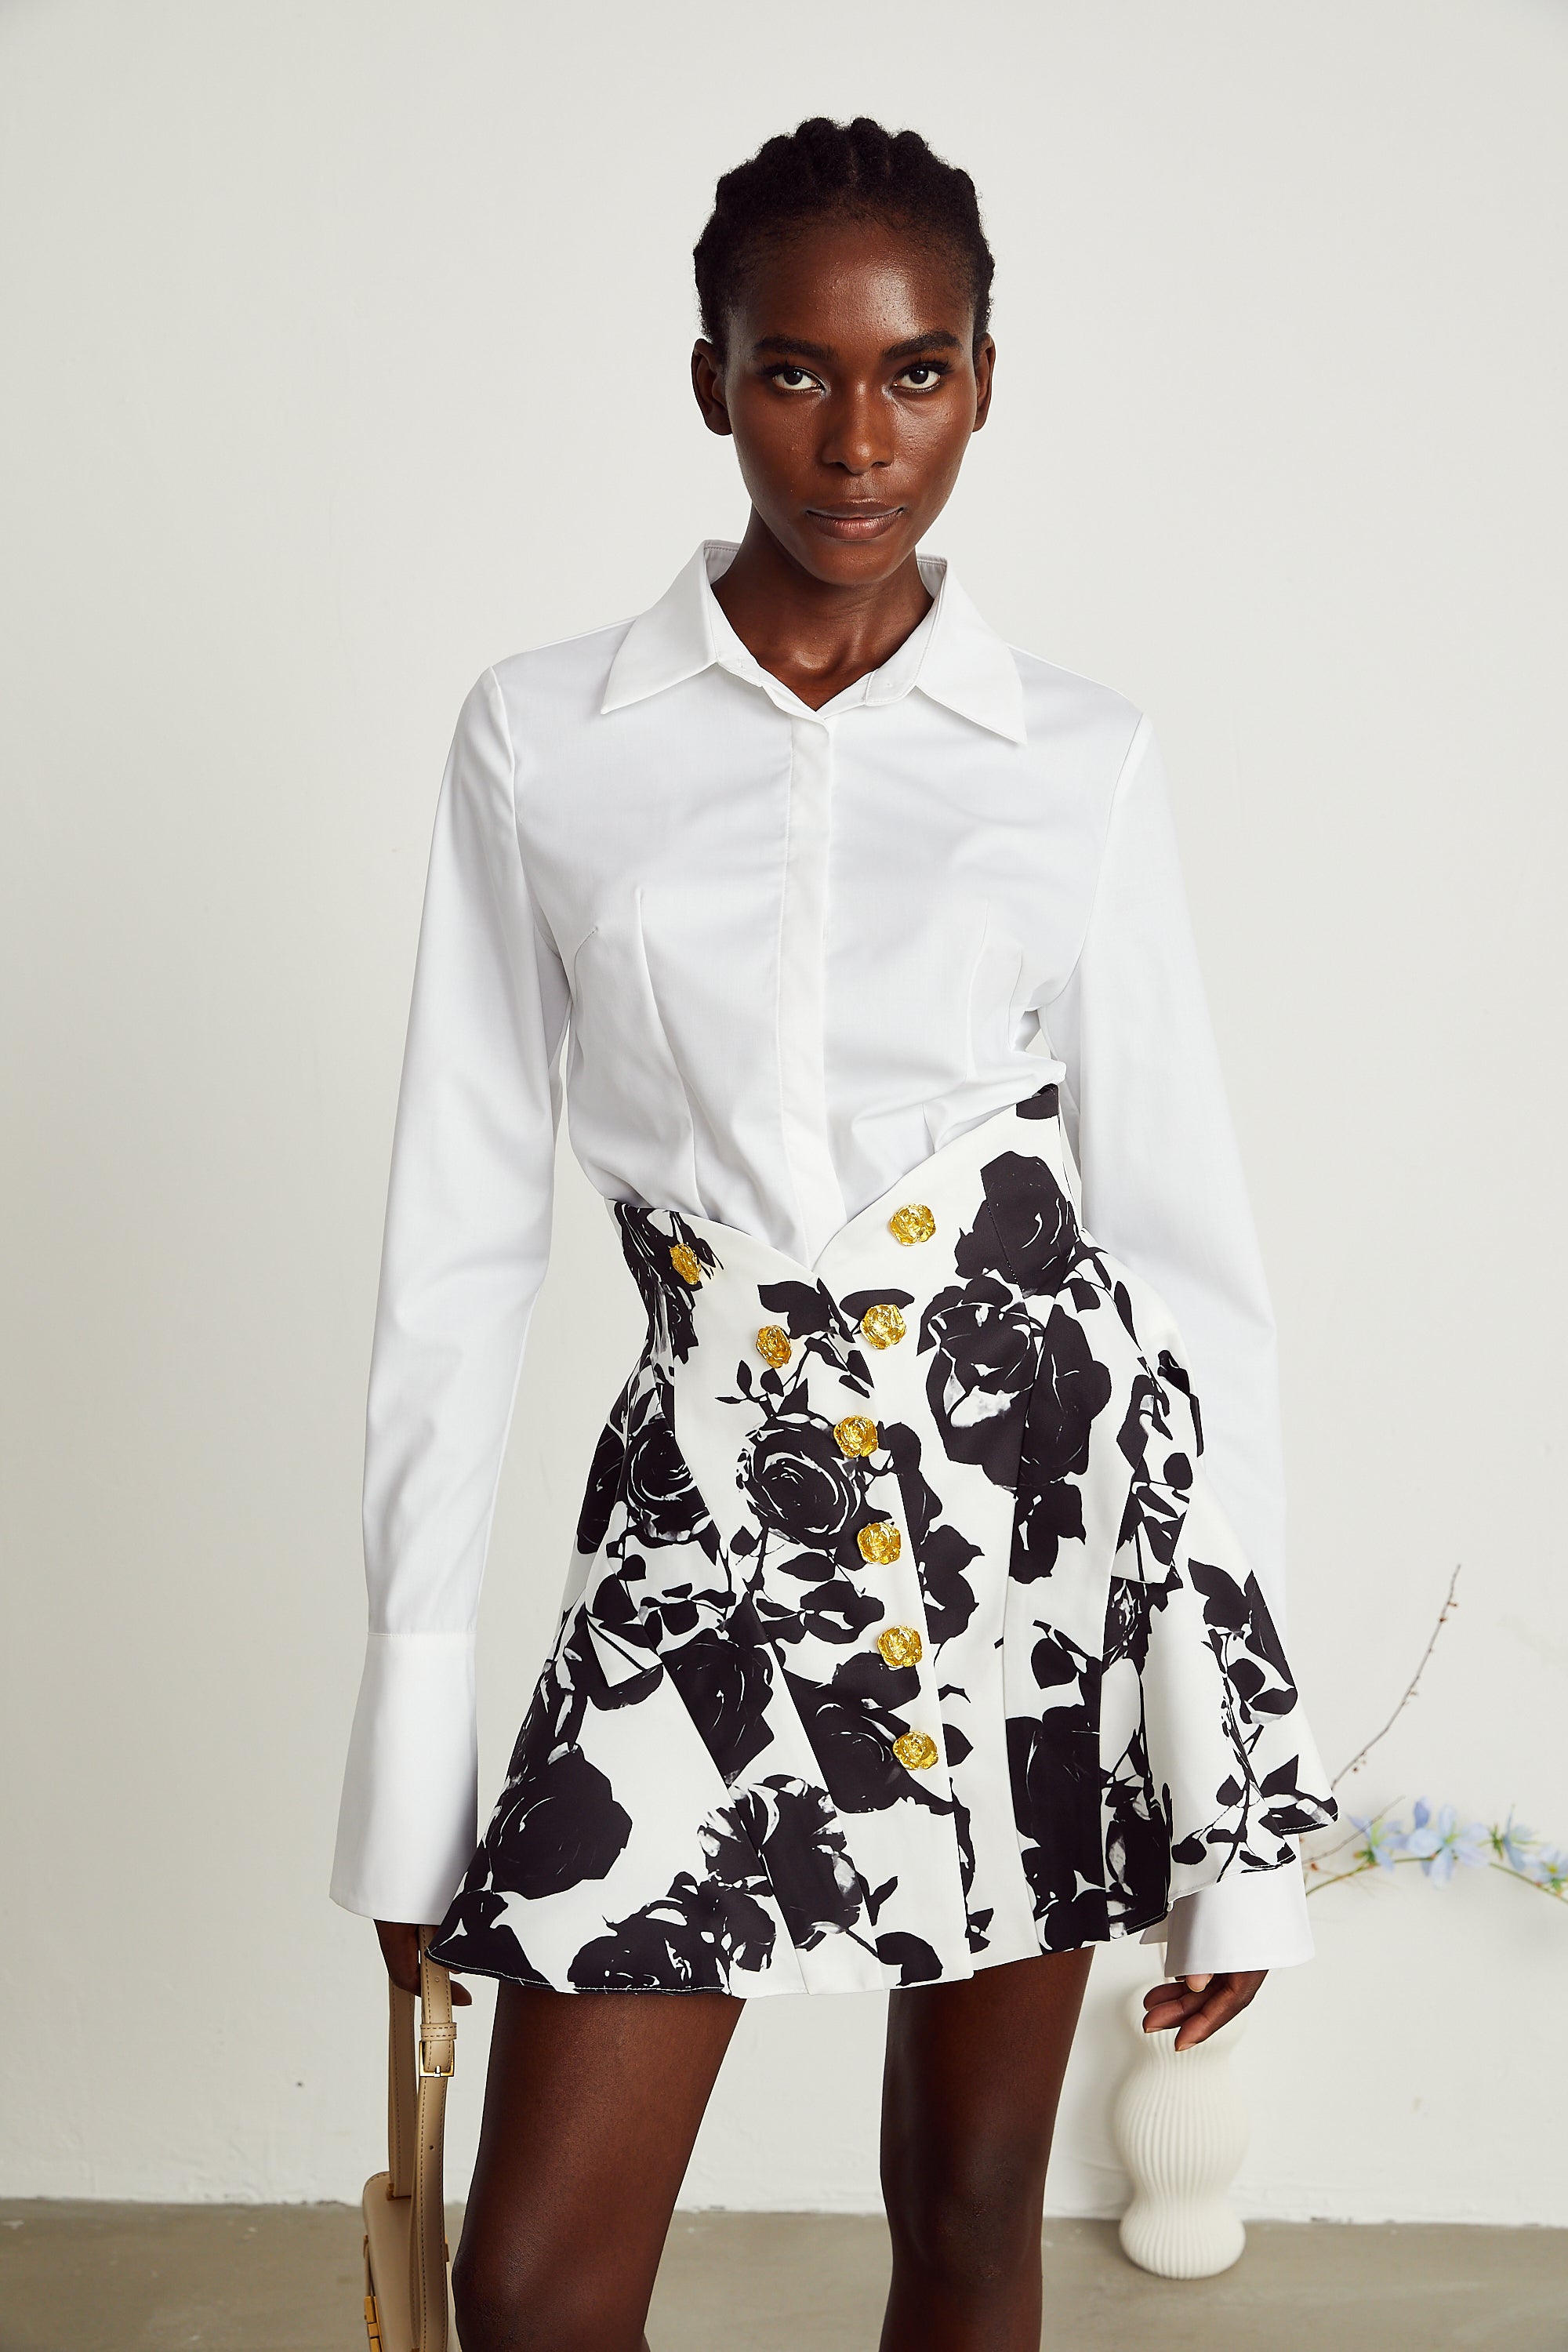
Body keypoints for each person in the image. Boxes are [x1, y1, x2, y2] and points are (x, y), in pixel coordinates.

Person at [330, 116, 1336, 2352]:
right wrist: (412, 1760)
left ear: (984, 382)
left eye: (916, 373)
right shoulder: (543, 740)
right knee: (531, 2289)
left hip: (1023, 1534)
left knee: (969, 2216)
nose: (858, 441)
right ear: (711, 380)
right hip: (702, 1517)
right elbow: (457, 1245)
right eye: (794, 372)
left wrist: (1240, 1798)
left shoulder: (1077, 758)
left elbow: (1185, 1274)